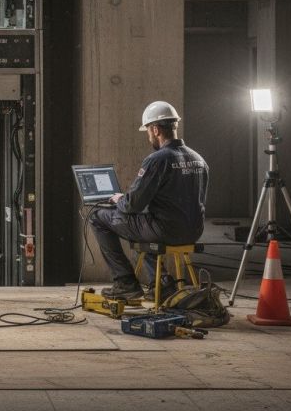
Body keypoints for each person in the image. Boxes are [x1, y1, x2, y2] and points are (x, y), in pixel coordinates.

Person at [89, 101, 209, 300]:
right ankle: (161, 283)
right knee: (141, 225)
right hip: (193, 231)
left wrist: (120, 199)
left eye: (148, 131)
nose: (149, 136)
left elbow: (132, 205)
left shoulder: (158, 159)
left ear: (155, 129)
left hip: (164, 231)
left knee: (97, 217)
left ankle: (125, 282)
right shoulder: (198, 159)